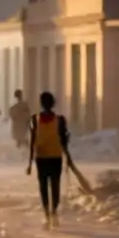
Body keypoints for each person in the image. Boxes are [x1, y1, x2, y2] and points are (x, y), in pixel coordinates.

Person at [27, 91, 70, 230]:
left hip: (41, 157)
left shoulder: (35, 119)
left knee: (43, 186)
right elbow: (64, 141)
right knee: (55, 185)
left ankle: (47, 214)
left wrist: (29, 162)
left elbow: (32, 141)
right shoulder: (60, 120)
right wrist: (67, 156)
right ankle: (54, 211)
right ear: (53, 103)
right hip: (56, 157)